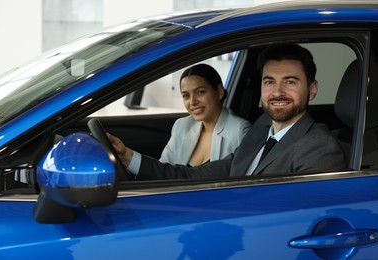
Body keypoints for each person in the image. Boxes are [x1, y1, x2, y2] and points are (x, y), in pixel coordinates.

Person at [108, 44, 346, 180]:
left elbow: (295, 221)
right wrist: (128, 156)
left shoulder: (319, 147)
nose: (278, 92)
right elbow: (196, 176)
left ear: (312, 90)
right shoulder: (261, 130)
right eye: (269, 82)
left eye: (290, 82)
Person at [159, 64, 251, 166]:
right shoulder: (181, 126)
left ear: (219, 92)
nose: (192, 102)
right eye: (186, 95)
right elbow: (162, 170)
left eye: (200, 92)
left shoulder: (239, 131)